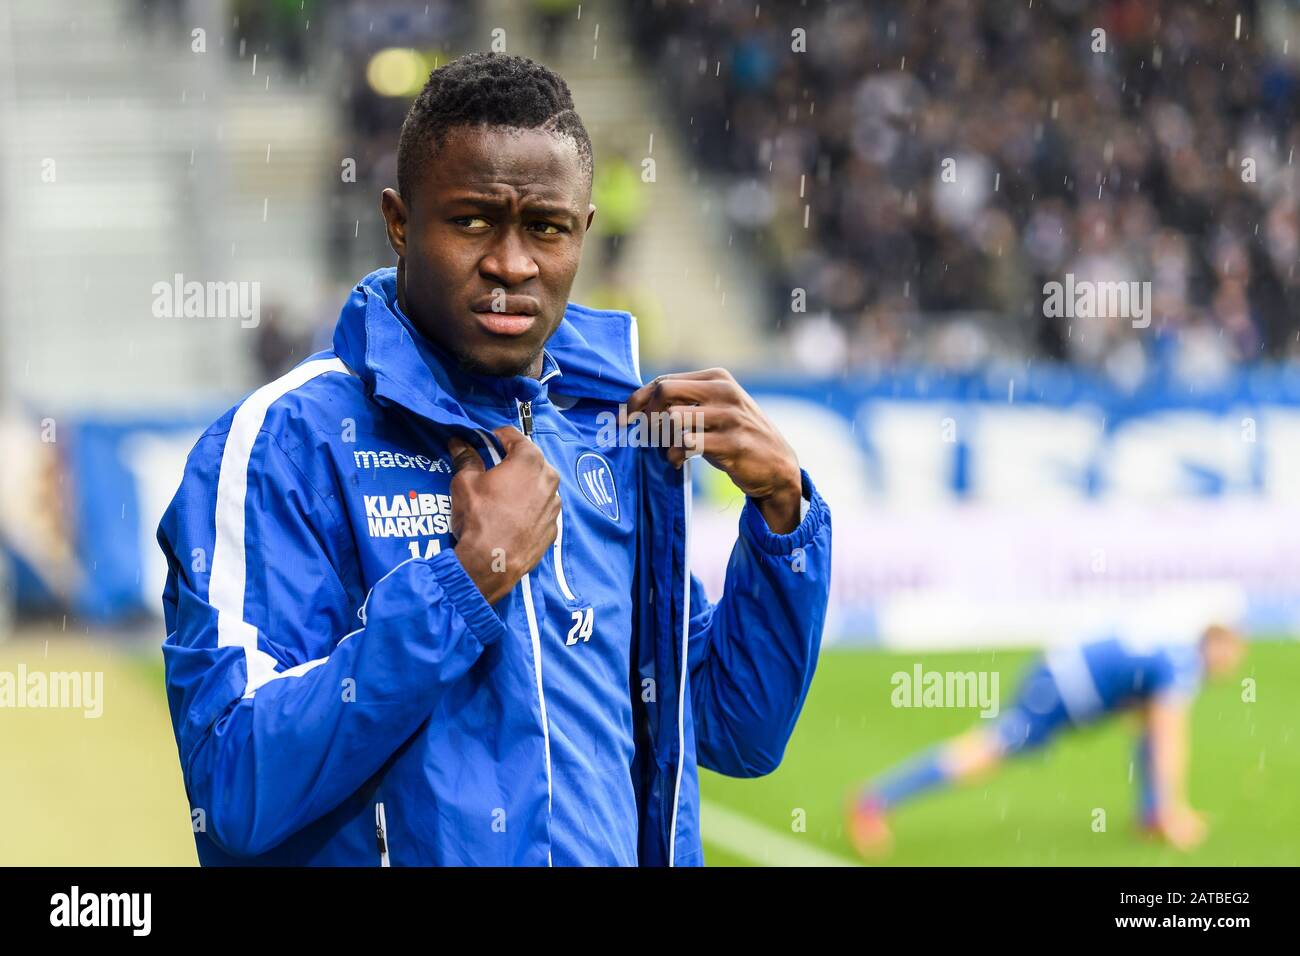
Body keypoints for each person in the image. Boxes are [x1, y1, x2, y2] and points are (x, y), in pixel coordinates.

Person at [159, 52, 832, 866]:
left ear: (582, 232)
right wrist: (463, 584)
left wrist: (785, 519)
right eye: (474, 220)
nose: (512, 265)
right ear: (400, 222)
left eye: (544, 228)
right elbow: (234, 787)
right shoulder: (283, 443)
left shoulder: (608, 439)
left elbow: (729, 726)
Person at [847, 624, 1246, 859]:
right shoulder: (1183, 667)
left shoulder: (1174, 655)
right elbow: (1167, 740)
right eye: (1233, 653)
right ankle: (874, 801)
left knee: (987, 752)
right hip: (1059, 691)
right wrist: (1175, 812)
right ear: (1217, 646)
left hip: (1060, 680)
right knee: (985, 753)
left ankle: (1151, 817)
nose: (1234, 663)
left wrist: (1158, 809)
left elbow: (1143, 728)